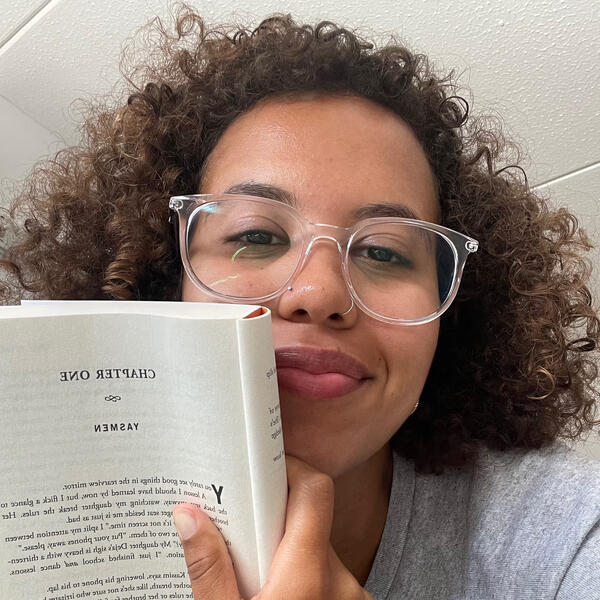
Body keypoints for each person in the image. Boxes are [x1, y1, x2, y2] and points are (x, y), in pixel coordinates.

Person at [1, 7, 599, 599]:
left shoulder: (563, 535)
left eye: (384, 251)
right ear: (165, 277)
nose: (319, 293)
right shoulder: (38, 518)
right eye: (256, 236)